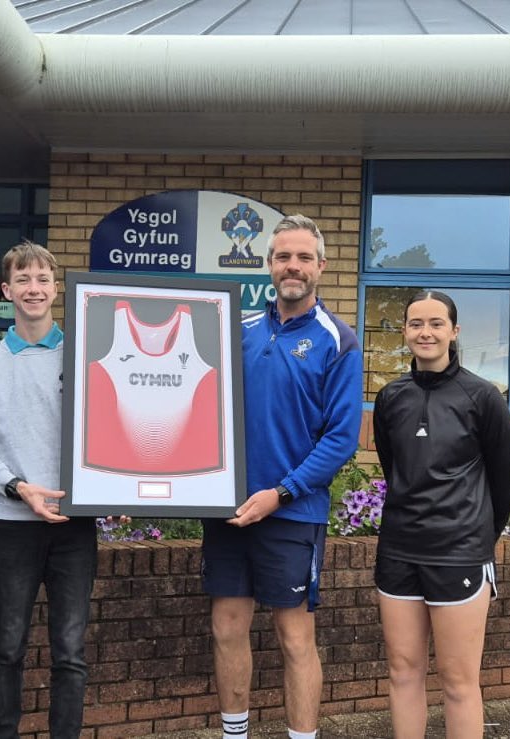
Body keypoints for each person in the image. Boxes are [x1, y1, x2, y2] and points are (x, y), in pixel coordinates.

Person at [202, 214, 363, 739]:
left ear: (321, 266)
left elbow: (340, 439)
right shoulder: (236, 330)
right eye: (282, 257)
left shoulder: (338, 340)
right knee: (227, 628)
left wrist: (282, 492)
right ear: (269, 265)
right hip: (227, 507)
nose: (292, 266)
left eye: (303, 257)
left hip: (292, 510)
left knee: (295, 637)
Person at [0, 241, 97, 739]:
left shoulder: (88, 358)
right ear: (6, 290)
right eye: (23, 280)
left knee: (70, 654)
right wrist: (16, 487)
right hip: (14, 527)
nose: (33, 289)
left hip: (75, 527)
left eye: (42, 280)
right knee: (8, 648)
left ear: (57, 289)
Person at [372, 290, 510, 738]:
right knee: (403, 671)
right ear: (404, 332)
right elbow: (393, 467)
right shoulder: (390, 397)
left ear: (454, 332)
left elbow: (504, 482)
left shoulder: (482, 397)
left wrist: (476, 541)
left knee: (458, 682)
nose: (425, 332)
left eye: (436, 323)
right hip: (398, 553)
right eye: (416, 323)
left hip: (460, 555)